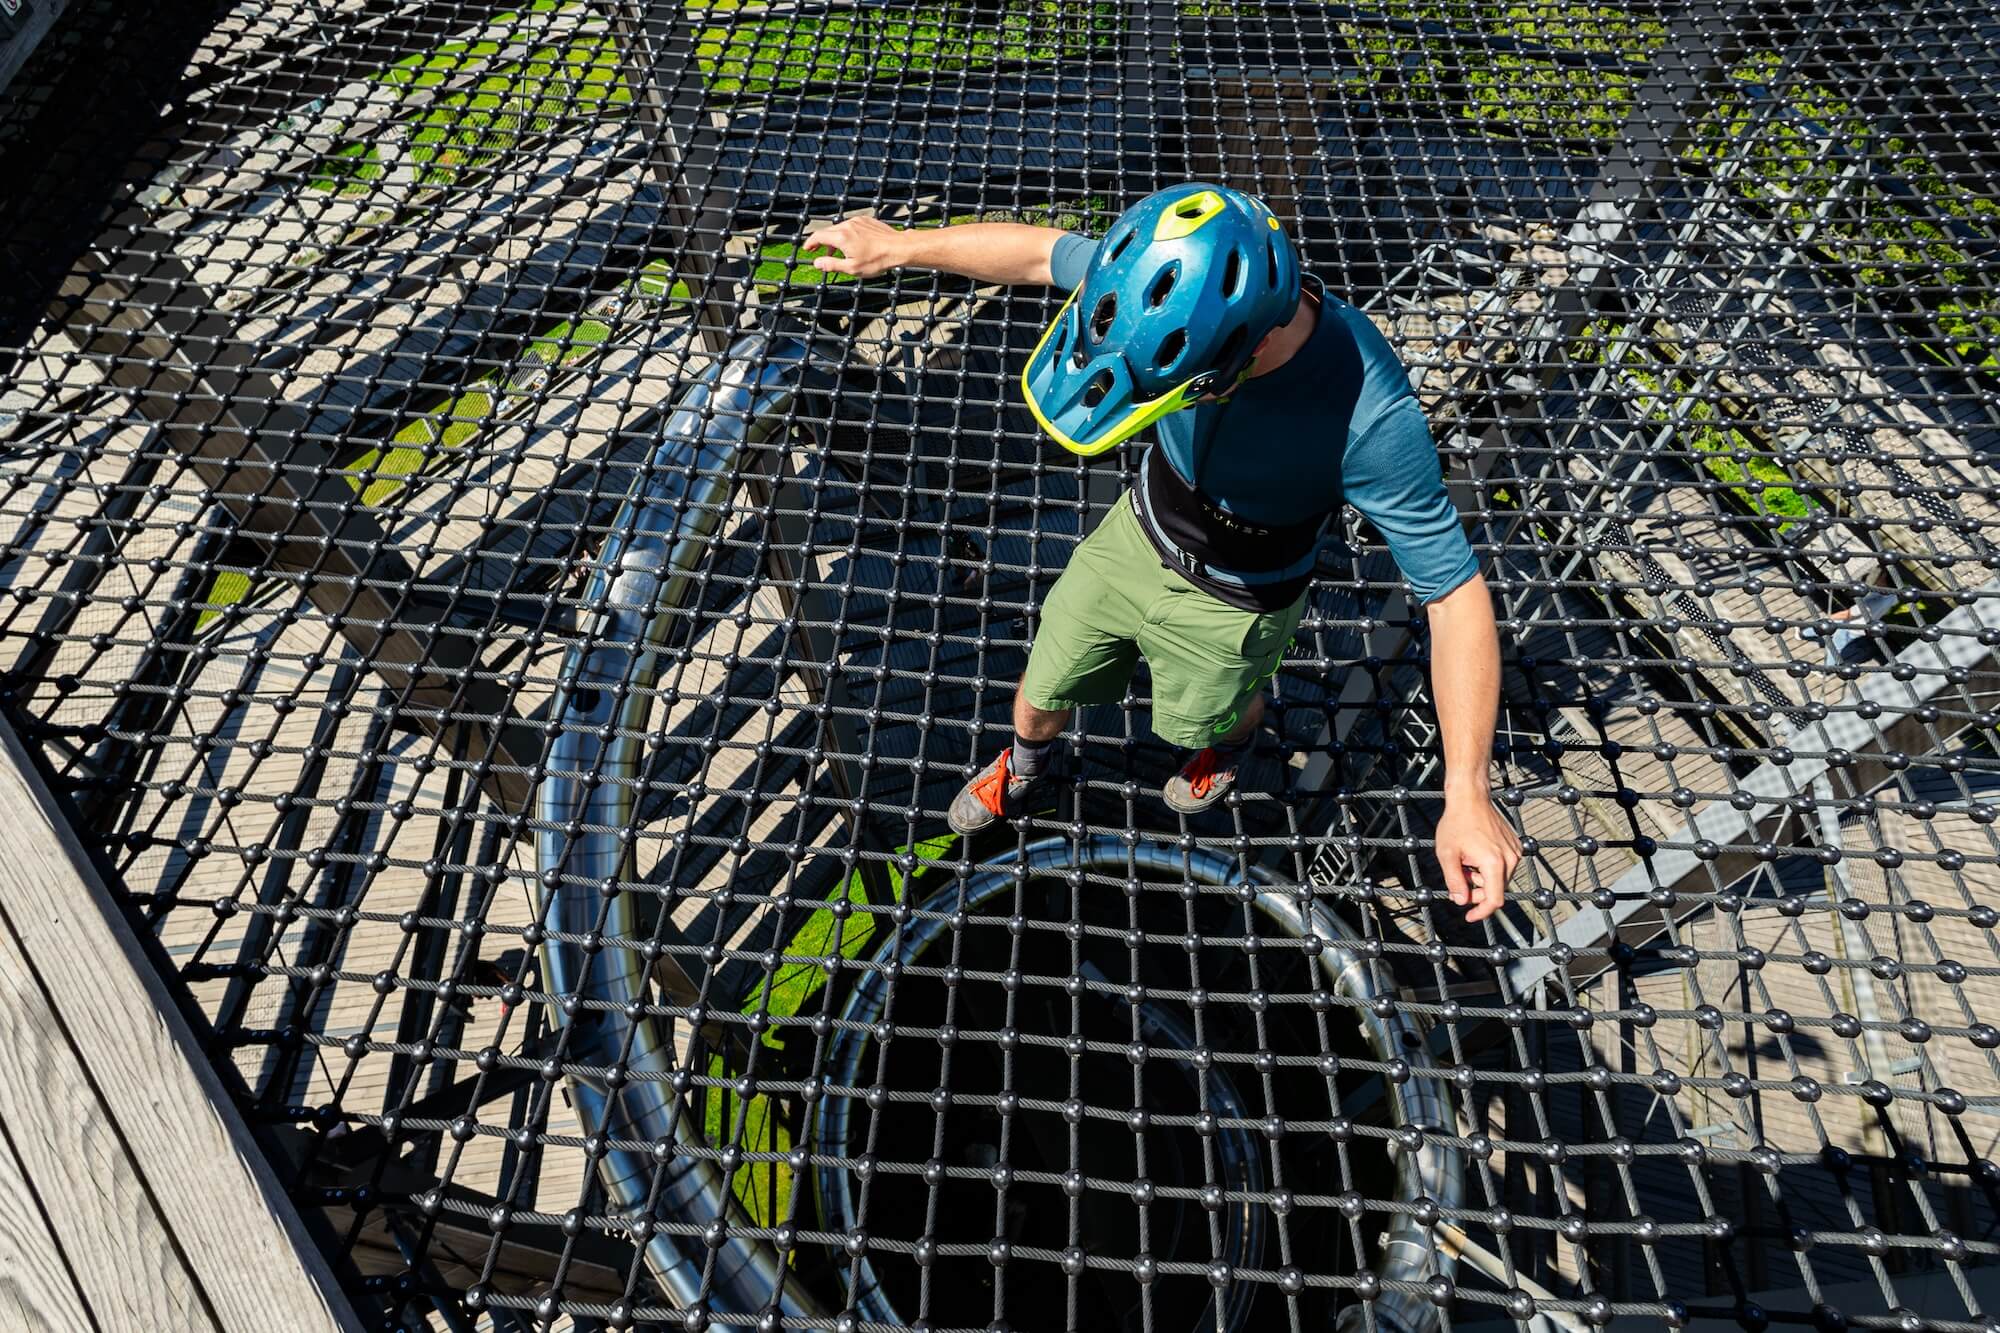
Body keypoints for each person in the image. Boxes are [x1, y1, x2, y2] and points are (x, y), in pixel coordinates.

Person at [803, 184, 1520, 921]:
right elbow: (1039, 253)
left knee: (1210, 713)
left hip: (1240, 596)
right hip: (1138, 533)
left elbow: (1454, 592)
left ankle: (1231, 743)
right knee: (1046, 678)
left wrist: (1467, 790)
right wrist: (900, 246)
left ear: (1247, 352)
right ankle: (1024, 765)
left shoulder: (1370, 412)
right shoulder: (1170, 276)